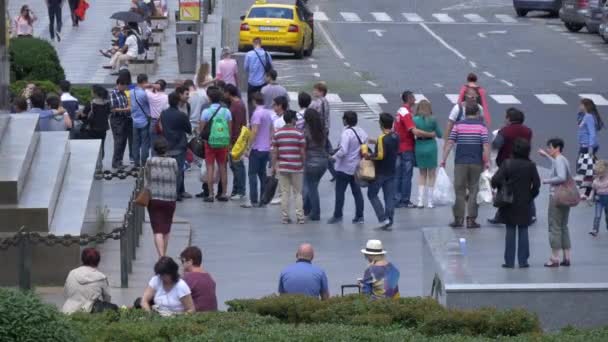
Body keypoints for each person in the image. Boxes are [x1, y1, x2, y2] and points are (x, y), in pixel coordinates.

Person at [491, 138, 540, 268]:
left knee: (510, 229)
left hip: (508, 201)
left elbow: (494, 180)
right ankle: (523, 261)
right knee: (524, 229)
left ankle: (509, 261)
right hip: (524, 202)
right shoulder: (531, 166)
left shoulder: (507, 164)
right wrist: (530, 196)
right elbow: (536, 185)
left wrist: (502, 186)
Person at [441, 104, 490, 229]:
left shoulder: (458, 125)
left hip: (460, 162)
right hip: (476, 162)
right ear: (477, 113)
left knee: (459, 190)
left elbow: (450, 142)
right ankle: (471, 219)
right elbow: (485, 145)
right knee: (474, 190)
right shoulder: (482, 126)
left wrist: (443, 159)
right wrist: (487, 161)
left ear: (465, 112)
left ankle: (458, 219)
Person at [488, 108, 534, 225]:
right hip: (525, 163)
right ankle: (531, 213)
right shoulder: (528, 131)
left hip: (507, 164)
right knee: (525, 189)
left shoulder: (504, 131)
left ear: (509, 119)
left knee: (505, 190)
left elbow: (495, 145)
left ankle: (500, 216)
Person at [394, 91, 437, 208]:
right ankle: (404, 200)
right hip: (406, 147)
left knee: (398, 175)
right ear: (409, 98)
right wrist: (430, 134)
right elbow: (414, 131)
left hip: (398, 147)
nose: (415, 100)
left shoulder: (399, 111)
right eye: (413, 97)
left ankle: (396, 199)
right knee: (407, 175)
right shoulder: (406, 113)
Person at [328, 111, 368, 224]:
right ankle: (359, 216)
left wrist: (333, 157)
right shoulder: (362, 132)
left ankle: (338, 215)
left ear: (345, 120)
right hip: (356, 167)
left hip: (344, 168)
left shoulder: (347, 133)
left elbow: (343, 150)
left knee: (340, 192)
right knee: (357, 193)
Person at [540, 138, 574, 267]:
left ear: (557, 148)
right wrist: (547, 156)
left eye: (550, 147)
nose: (549, 149)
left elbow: (561, 177)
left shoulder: (559, 160)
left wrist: (547, 180)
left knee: (554, 226)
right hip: (566, 196)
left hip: (556, 196)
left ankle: (555, 258)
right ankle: (567, 256)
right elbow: (557, 165)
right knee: (563, 226)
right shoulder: (563, 159)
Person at [145, 138, 178, 257]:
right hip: (169, 199)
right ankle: (164, 254)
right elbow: (176, 174)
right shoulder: (173, 162)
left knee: (157, 229)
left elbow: (147, 175)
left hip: (154, 198)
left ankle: (161, 256)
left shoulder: (150, 161)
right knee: (166, 229)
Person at [272, 110, 306, 224]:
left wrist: (274, 166)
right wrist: (303, 163)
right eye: (295, 119)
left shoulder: (277, 134)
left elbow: (275, 152)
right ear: (292, 120)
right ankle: (300, 217)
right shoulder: (299, 134)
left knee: (285, 193)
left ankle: (285, 217)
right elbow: (302, 152)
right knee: (298, 193)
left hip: (283, 167)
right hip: (297, 166)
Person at [367, 113, 399, 230]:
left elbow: (380, 155)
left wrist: (369, 156)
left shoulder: (381, 138)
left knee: (372, 194)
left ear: (381, 124)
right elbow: (389, 146)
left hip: (380, 171)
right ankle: (390, 219)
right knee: (389, 197)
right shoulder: (396, 136)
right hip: (391, 170)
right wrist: (375, 142)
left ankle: (382, 218)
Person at [200, 86, 232, 202]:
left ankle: (210, 194)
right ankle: (223, 193)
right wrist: (228, 143)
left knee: (210, 168)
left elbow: (202, 130)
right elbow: (229, 129)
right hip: (223, 143)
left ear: (209, 98)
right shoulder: (226, 111)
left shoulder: (206, 112)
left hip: (210, 143)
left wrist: (204, 142)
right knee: (223, 168)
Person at [242, 93, 273, 208]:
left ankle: (253, 200)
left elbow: (254, 131)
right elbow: (271, 130)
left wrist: (248, 147)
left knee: (252, 174)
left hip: (257, 148)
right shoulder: (268, 113)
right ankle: (263, 199)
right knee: (262, 174)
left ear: (254, 101)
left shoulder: (256, 114)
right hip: (266, 148)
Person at [161, 92, 192, 201]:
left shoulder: (163, 114)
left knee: (169, 170)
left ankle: (171, 190)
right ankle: (177, 193)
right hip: (179, 145)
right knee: (179, 170)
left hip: (168, 145)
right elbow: (189, 129)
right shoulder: (181, 115)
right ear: (178, 101)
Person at [62, 248, 112, 314]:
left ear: (82, 259)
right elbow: (107, 297)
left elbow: (66, 293)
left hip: (67, 311)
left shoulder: (72, 273)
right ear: (98, 261)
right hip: (88, 314)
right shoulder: (101, 277)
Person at [413, 100, 442, 208]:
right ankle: (430, 201)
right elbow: (439, 134)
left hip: (419, 146)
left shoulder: (414, 119)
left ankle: (420, 201)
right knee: (431, 174)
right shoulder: (433, 119)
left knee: (422, 174)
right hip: (431, 147)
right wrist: (432, 134)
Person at [302, 109, 327, 221]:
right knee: (312, 186)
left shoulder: (306, 132)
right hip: (323, 162)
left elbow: (303, 148)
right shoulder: (323, 130)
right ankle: (307, 208)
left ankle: (315, 213)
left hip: (311, 162)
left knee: (310, 188)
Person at [577, 98, 604, 200]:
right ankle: (592, 191)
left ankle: (588, 192)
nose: (579, 107)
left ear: (585, 106)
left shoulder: (588, 117)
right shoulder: (586, 116)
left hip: (587, 146)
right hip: (586, 145)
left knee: (588, 170)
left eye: (581, 105)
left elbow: (592, 133)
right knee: (591, 170)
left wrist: (590, 149)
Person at [180, 246, 218, 312]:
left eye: (183, 261)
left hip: (196, 315)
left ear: (190, 261)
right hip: (212, 314)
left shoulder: (189, 277)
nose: (182, 264)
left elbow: (176, 297)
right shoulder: (208, 276)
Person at [309, 82, 335, 180]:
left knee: (321, 152)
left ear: (321, 92)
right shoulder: (326, 101)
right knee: (324, 151)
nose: (313, 92)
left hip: (318, 131)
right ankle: (334, 172)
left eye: (315, 90)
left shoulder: (316, 103)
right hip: (325, 129)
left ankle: (334, 172)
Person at [226, 84, 247, 200]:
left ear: (229, 93)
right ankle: (236, 189)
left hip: (236, 139)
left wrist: (233, 140)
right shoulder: (236, 104)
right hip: (236, 139)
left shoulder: (237, 105)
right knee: (235, 166)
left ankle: (241, 190)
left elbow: (238, 124)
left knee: (238, 165)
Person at [80, 85, 111, 160]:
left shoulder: (91, 104)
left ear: (95, 93)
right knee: (102, 145)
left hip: (92, 128)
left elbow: (83, 114)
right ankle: (100, 163)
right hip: (103, 128)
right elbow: (109, 114)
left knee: (93, 145)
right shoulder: (107, 103)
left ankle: (95, 162)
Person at [244, 37, 273, 116]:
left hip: (252, 82)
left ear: (253, 43)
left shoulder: (249, 54)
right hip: (263, 83)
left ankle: (251, 119)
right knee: (262, 102)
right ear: (260, 43)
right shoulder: (267, 54)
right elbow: (271, 67)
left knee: (250, 102)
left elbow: (246, 68)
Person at [109, 75, 132, 169]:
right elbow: (112, 109)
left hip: (125, 119)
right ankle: (115, 162)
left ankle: (120, 161)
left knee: (123, 141)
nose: (125, 88)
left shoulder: (123, 94)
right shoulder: (113, 93)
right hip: (116, 120)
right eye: (124, 86)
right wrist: (125, 109)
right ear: (119, 84)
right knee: (118, 141)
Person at [131, 74, 152, 168]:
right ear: (144, 82)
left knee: (135, 142)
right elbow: (149, 105)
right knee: (145, 142)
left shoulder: (131, 92)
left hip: (134, 120)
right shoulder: (144, 94)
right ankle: (143, 162)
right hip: (144, 121)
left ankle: (136, 161)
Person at [147, 79, 169, 149]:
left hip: (153, 122)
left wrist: (152, 86)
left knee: (153, 144)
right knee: (164, 144)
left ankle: (153, 159)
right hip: (164, 122)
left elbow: (143, 87)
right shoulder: (167, 97)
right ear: (165, 88)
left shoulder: (151, 96)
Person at [590, 160, 608, 237]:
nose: (600, 175)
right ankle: (595, 229)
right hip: (599, 199)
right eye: (598, 173)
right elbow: (593, 190)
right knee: (597, 215)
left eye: (601, 173)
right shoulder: (595, 181)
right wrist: (590, 197)